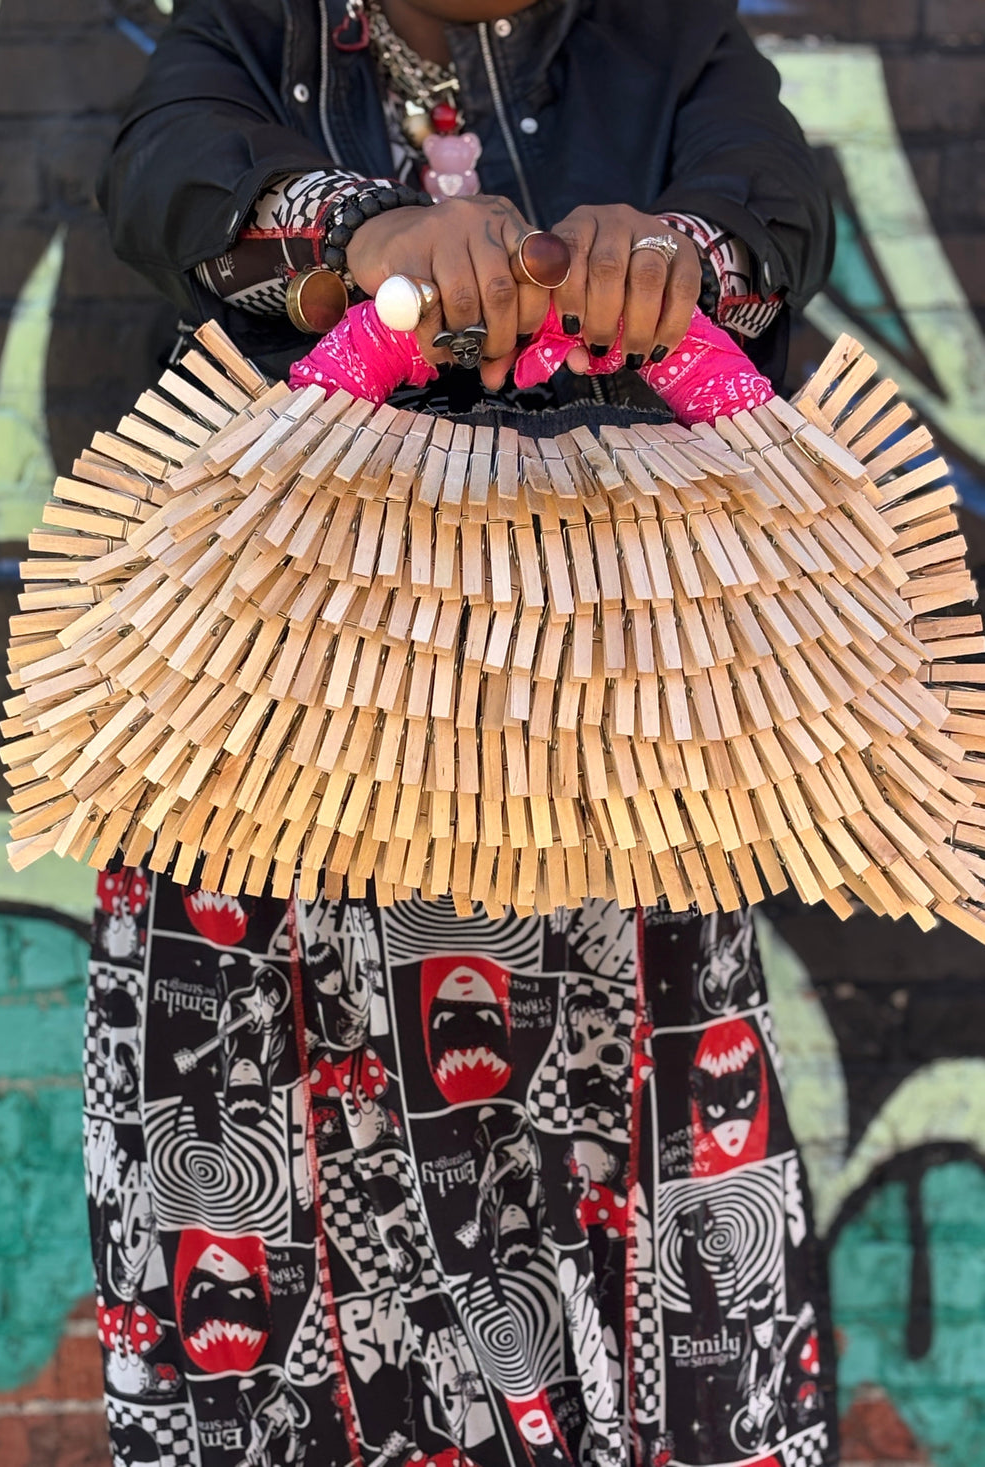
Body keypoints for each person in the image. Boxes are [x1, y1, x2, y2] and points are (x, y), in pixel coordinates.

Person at [86, 2, 838, 1464]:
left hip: (605, 785)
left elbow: (772, 200)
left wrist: (682, 259)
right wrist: (356, 242)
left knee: (631, 1274)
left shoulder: (665, 34)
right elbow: (163, 172)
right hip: (271, 793)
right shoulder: (255, 23)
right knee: (277, 1302)